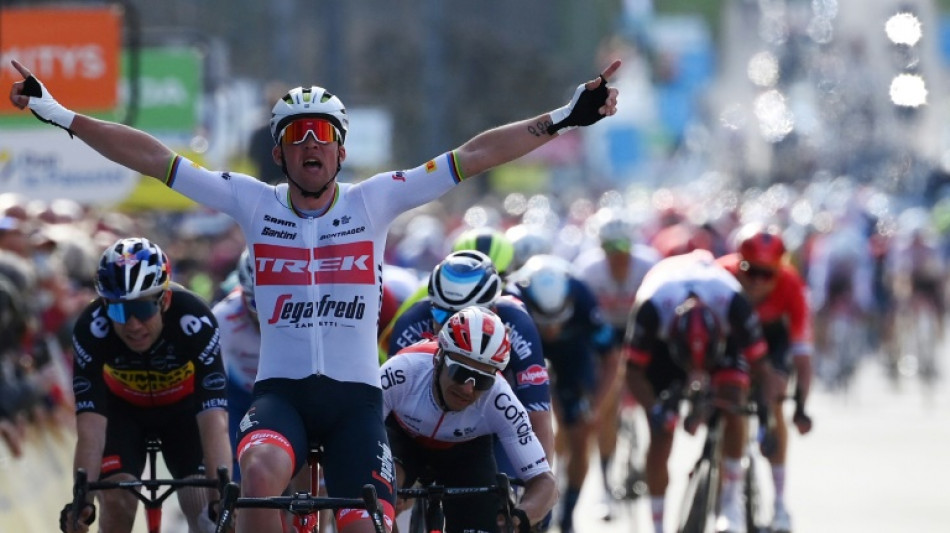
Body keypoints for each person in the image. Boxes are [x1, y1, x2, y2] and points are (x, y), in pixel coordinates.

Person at [10, 57, 620, 533]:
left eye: (322, 133)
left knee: (363, 523)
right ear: (278, 151)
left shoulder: (375, 199)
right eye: (296, 134)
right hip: (283, 397)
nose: (310, 143)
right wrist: (60, 113)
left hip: (358, 403)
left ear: (340, 149)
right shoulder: (253, 201)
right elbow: (152, 157)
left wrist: (563, 118)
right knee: (257, 476)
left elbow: (475, 155)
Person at [60, 237, 231, 533]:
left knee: (203, 507)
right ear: (104, 305)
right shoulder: (91, 328)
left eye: (142, 310)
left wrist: (221, 497)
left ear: (165, 300)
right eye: (119, 311)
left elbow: (214, 419)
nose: (133, 325)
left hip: (184, 413)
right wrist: (82, 500)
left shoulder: (195, 318)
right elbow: (90, 428)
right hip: (123, 414)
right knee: (116, 502)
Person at [623, 249, 777, 533]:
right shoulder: (651, 307)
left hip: (721, 346)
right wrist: (656, 410)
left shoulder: (733, 303)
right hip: (665, 354)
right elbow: (632, 372)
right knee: (660, 435)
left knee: (733, 403)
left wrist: (767, 417)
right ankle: (657, 526)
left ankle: (731, 502)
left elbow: (762, 367)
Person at [382, 306, 557, 533]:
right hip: (404, 439)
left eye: (482, 380)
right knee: (383, 492)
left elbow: (545, 481)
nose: (467, 389)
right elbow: (360, 435)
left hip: (466, 453)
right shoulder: (403, 371)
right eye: (460, 372)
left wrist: (519, 519)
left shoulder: (500, 399)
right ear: (439, 357)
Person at [386, 250, 554, 478]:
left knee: (506, 490)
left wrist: (539, 484)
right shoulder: (412, 321)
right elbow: (389, 406)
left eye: (464, 316)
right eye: (440, 314)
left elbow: (537, 414)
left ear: (493, 310)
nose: (449, 326)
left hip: (483, 425)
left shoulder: (517, 323)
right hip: (413, 429)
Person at [716, 223, 813, 533]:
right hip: (730, 338)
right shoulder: (720, 276)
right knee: (730, 400)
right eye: (751, 271)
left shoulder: (792, 285)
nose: (758, 282)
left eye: (767, 274)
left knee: (774, 400)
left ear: (779, 270)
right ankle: (728, 498)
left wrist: (801, 406)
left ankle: (781, 504)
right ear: (738, 263)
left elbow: (802, 356)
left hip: (772, 341)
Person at [509, 255, 616, 533]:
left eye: (557, 321)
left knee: (581, 431)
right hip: (523, 349)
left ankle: (568, 516)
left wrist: (596, 406)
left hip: (573, 356)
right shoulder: (513, 298)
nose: (552, 330)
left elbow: (611, 359)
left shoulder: (582, 296)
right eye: (545, 323)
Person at [571, 212, 658, 520]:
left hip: (640, 333)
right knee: (605, 405)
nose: (617, 254)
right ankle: (607, 488)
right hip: (604, 336)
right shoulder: (587, 270)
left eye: (623, 246)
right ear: (600, 247)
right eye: (610, 247)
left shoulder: (649, 266)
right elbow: (580, 323)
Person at [211, 248, 260, 481]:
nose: (263, 316)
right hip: (239, 395)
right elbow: (212, 384)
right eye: (256, 304)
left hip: (285, 394)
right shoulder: (224, 315)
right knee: (234, 474)